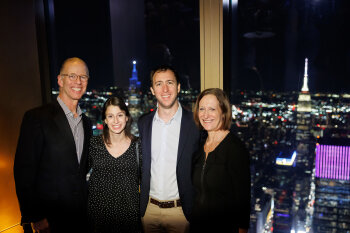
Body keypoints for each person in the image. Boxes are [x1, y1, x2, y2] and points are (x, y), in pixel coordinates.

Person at [13, 57, 92, 233]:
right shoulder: (37, 118)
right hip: (50, 220)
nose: (78, 81)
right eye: (72, 76)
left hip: (82, 216)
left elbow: (81, 169)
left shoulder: (86, 123)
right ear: (60, 80)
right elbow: (23, 172)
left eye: (83, 77)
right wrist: (36, 217)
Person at [138, 65, 200, 233]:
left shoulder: (195, 124)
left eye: (170, 83)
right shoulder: (144, 123)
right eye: (159, 84)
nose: (164, 89)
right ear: (152, 90)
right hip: (149, 210)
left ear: (178, 87)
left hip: (180, 212)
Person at [191, 88, 251, 233]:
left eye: (212, 109)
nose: (205, 115)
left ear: (223, 112)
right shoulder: (200, 146)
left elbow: (243, 201)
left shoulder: (235, 149)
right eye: (202, 109)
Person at [87, 96, 141, 233]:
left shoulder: (138, 145)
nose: (116, 121)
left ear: (127, 117)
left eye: (120, 115)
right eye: (110, 116)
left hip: (129, 217)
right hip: (99, 217)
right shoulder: (94, 144)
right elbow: (78, 174)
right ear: (104, 120)